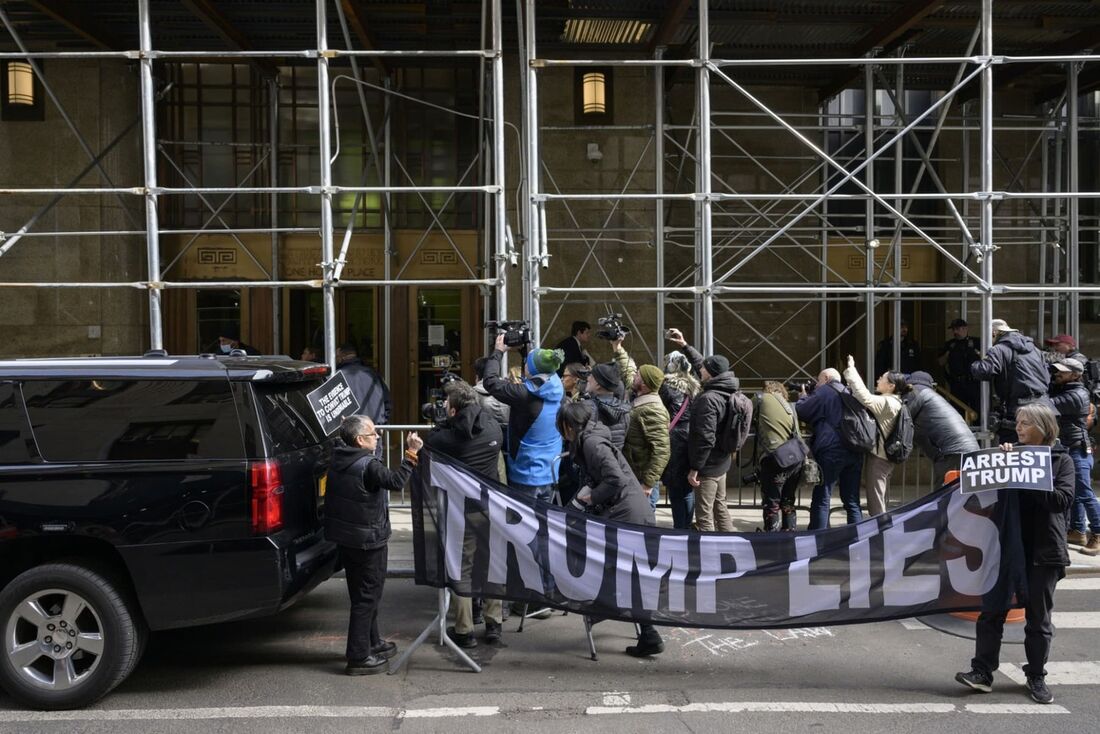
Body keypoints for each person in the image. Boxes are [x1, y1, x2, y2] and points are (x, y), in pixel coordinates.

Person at [955, 403, 1074, 705]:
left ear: (1044, 428)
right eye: (1018, 422)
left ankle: (1036, 675)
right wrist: (1003, 464)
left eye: (1026, 423)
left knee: (1038, 619)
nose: (1019, 428)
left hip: (1043, 551)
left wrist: (1027, 474)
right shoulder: (1009, 457)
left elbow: (1061, 501)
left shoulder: (1062, 461)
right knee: (992, 610)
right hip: (1007, 547)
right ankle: (981, 672)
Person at [556, 400, 663, 657]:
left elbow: (615, 479)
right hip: (628, 511)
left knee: (623, 573)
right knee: (629, 574)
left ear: (569, 426)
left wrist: (591, 498)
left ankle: (637, 626)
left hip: (627, 515)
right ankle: (647, 633)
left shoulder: (592, 443)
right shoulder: (592, 437)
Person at [325, 415, 422, 675]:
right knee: (368, 596)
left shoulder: (339, 455)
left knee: (361, 594)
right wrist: (411, 454)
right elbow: (395, 481)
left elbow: (369, 454)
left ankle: (372, 642)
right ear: (359, 440)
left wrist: (350, 426)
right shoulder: (368, 466)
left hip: (348, 537)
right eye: (372, 434)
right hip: (369, 540)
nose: (378, 436)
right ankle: (358, 656)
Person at [424, 381, 506, 647]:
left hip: (463, 511)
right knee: (493, 563)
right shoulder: (493, 427)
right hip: (493, 507)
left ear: (453, 410)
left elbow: (432, 442)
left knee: (462, 568)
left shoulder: (448, 439)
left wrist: (442, 422)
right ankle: (495, 624)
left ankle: (465, 630)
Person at [481, 336, 563, 503]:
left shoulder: (524, 396)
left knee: (522, 525)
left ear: (532, 370)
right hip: (550, 472)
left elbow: (490, 382)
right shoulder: (556, 386)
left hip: (526, 474)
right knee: (543, 524)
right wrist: (524, 351)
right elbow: (534, 375)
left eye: (526, 364)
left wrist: (498, 351)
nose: (524, 366)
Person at [796, 368, 864, 530]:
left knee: (822, 496)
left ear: (826, 378)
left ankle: (818, 541)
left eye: (818, 381)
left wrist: (803, 397)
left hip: (831, 450)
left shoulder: (825, 391)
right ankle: (858, 540)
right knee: (852, 500)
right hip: (855, 448)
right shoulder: (849, 391)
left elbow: (802, 410)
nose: (817, 385)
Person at [843, 356, 908, 516]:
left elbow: (864, 397)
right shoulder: (894, 401)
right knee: (879, 496)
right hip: (884, 457)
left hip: (880, 458)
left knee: (876, 499)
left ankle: (880, 531)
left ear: (891, 386)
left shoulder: (888, 403)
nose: (878, 379)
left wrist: (851, 370)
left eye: (882, 378)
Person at [970, 319, 1053, 443]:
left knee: (1014, 453)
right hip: (1045, 408)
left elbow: (983, 371)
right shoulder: (1034, 349)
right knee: (1043, 454)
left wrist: (977, 361)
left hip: (1020, 411)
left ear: (993, 333)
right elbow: (1047, 377)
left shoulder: (999, 349)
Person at [1048, 358, 1100, 556]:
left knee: (1085, 493)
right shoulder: (1066, 390)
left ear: (1076, 375)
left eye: (1063, 371)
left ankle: (1097, 533)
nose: (1057, 374)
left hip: (1078, 450)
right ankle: (1078, 531)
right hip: (1071, 448)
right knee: (1076, 493)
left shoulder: (1076, 395)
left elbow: (1046, 404)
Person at [685, 352, 740, 532]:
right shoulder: (730, 390)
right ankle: (731, 547)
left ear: (711, 372)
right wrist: (685, 346)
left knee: (704, 516)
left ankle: (710, 556)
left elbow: (706, 437)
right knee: (720, 507)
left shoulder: (708, 399)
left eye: (703, 368)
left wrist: (695, 468)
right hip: (721, 461)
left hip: (707, 466)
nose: (700, 369)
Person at [615, 349, 670, 511]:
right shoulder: (640, 396)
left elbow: (662, 451)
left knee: (643, 520)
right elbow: (628, 373)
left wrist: (648, 484)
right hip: (633, 474)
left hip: (642, 480)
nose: (634, 377)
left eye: (638, 375)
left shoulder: (653, 410)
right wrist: (618, 348)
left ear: (644, 384)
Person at [904, 371, 979, 486]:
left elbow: (902, 419)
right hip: (965, 449)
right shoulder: (932, 397)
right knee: (961, 495)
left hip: (953, 451)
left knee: (944, 496)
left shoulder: (917, 391)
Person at [660, 346, 702, 529]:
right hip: (691, 438)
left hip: (674, 440)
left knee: (676, 489)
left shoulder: (666, 386)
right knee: (687, 488)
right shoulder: (695, 386)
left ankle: (680, 529)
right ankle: (685, 526)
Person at [755, 381, 804, 531]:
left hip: (775, 459)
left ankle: (773, 538)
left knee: (772, 502)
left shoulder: (761, 398)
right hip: (796, 459)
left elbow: (745, 413)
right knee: (788, 500)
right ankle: (789, 535)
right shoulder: (791, 407)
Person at [336, 343, 392, 427]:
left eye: (337, 357)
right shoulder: (373, 374)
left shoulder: (336, 377)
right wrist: (380, 424)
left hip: (349, 434)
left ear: (342, 357)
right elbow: (387, 404)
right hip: (372, 432)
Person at [938, 318, 981, 416]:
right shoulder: (950, 344)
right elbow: (940, 362)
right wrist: (947, 354)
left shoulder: (976, 342)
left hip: (974, 383)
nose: (955, 332)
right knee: (958, 411)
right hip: (957, 384)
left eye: (957, 329)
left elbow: (987, 359)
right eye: (953, 329)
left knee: (977, 411)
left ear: (965, 328)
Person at [584, 362, 631, 450]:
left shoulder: (586, 408)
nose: (588, 378)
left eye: (591, 376)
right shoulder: (625, 411)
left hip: (591, 460)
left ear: (598, 385)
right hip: (615, 460)